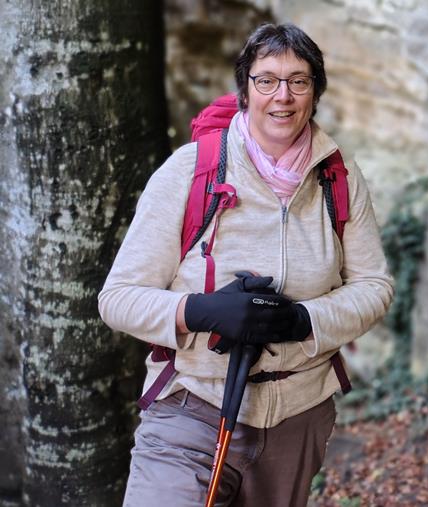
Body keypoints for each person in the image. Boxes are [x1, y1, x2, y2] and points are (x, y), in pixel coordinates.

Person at [99, 23, 393, 506]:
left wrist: (303, 320)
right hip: (192, 407)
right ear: (245, 88)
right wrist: (199, 312)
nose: (283, 96)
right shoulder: (190, 171)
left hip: (297, 417)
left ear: (315, 92)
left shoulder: (337, 177)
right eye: (267, 80)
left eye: (299, 81)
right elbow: (118, 298)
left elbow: (373, 286)